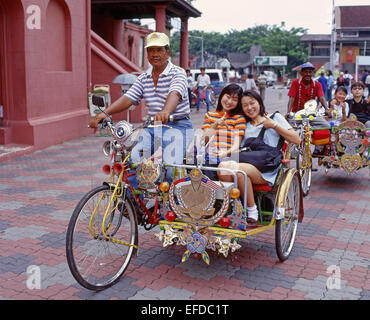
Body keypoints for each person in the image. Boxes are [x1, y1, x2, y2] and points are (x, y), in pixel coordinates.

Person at [88, 32, 193, 180]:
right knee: (132, 163)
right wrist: (104, 113)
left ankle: (169, 203)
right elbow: (128, 98)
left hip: (178, 126)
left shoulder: (178, 73)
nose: (155, 54)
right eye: (151, 50)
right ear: (147, 53)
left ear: (167, 52)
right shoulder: (144, 77)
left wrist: (165, 111)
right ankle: (139, 202)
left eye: (159, 50)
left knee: (170, 169)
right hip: (152, 128)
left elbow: (174, 93)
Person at [218, 90, 301, 227]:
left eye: (252, 103)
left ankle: (252, 211)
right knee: (224, 168)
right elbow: (242, 149)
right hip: (249, 165)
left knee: (238, 169)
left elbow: (296, 140)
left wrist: (274, 126)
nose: (249, 108)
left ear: (259, 103)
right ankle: (234, 206)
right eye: (245, 105)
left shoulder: (274, 118)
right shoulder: (245, 125)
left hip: (268, 169)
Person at [199, 84, 246, 180]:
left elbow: (236, 145)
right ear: (222, 95)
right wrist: (216, 124)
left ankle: (214, 192)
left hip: (229, 156)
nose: (229, 101)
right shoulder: (210, 115)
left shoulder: (239, 118)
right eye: (228, 97)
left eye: (234, 100)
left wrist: (225, 153)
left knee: (212, 166)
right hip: (210, 156)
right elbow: (204, 140)